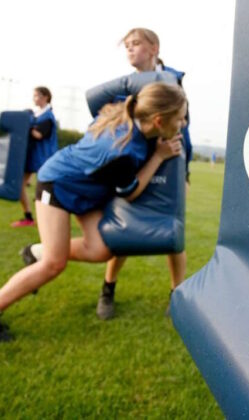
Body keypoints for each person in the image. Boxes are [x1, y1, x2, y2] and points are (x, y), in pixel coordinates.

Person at [0, 82, 187, 342]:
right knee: (53, 264)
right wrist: (159, 157)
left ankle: (36, 251)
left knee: (102, 249)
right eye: (181, 118)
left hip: (86, 192)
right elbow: (130, 192)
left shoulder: (130, 116)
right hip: (58, 186)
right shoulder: (122, 150)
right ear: (159, 120)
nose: (183, 124)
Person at [96, 27, 192, 320]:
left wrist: (184, 173)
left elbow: (185, 123)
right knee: (125, 224)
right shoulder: (123, 87)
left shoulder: (173, 80)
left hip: (169, 160)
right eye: (127, 45)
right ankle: (107, 289)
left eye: (136, 43)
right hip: (133, 163)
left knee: (171, 230)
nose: (130, 49)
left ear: (154, 48)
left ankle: (178, 296)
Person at [11, 87, 59, 227]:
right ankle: (28, 217)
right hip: (33, 157)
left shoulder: (48, 117)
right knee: (20, 185)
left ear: (45, 97)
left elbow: (38, 135)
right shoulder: (37, 115)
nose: (34, 99)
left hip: (44, 158)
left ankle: (49, 221)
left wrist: (26, 125)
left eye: (37, 96)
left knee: (46, 190)